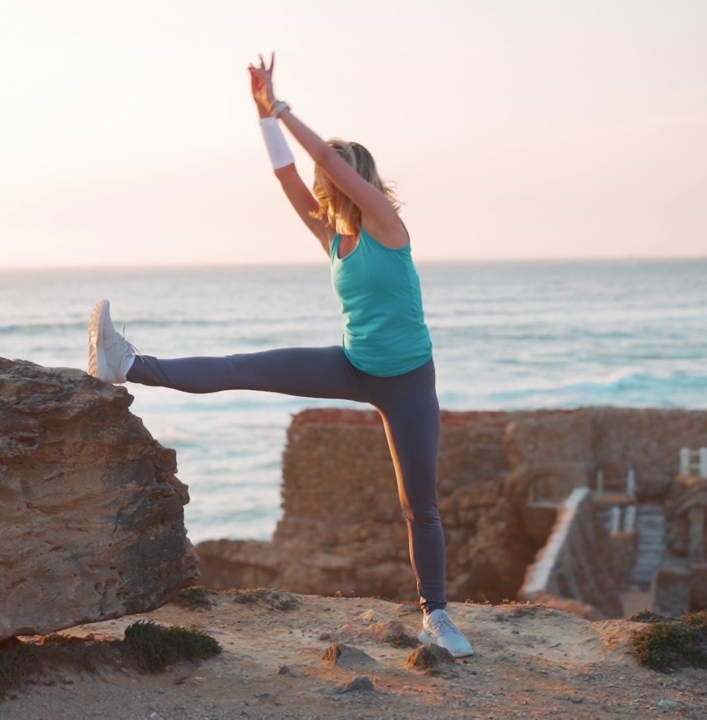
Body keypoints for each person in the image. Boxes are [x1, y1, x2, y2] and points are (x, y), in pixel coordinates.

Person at [88, 53, 473, 658]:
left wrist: (281, 106)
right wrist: (263, 118)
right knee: (244, 367)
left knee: (418, 503)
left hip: (407, 383)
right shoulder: (333, 235)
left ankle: (438, 617)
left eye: (338, 175)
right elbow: (288, 174)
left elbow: (318, 158)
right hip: (350, 365)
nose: (326, 184)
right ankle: (127, 365)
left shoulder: (385, 223)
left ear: (358, 178)